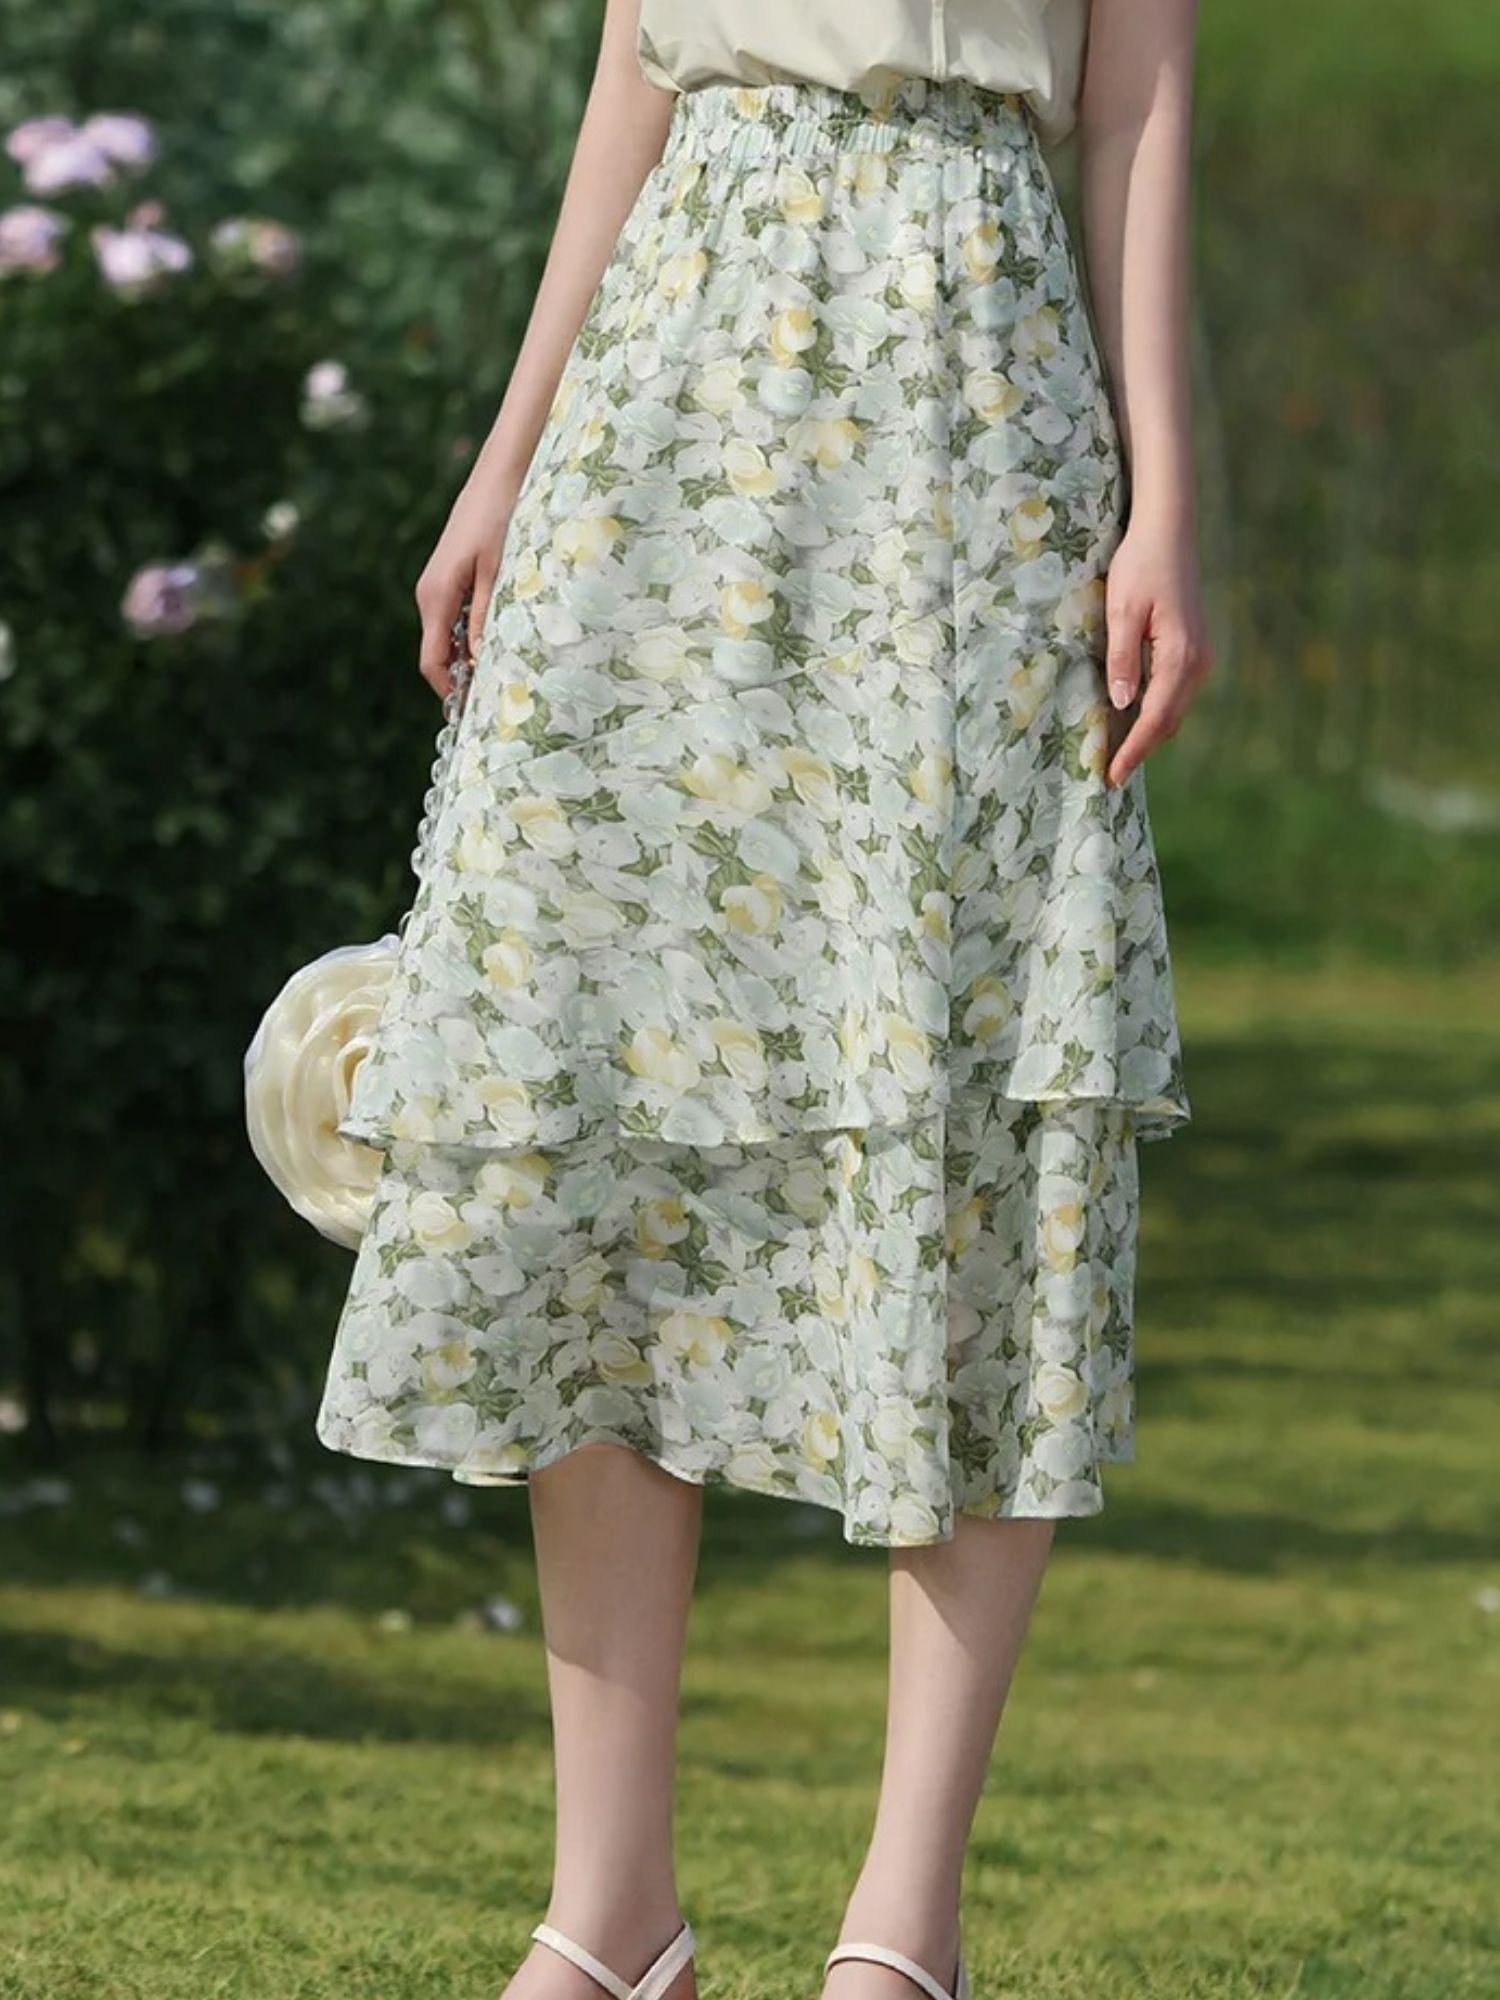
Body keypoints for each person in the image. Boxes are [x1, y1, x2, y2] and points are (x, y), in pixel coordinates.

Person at [317, 1, 1209, 1994]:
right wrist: (508, 452)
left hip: (965, 395)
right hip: (664, 388)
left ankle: (907, 1921)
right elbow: (640, 58)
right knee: (603, 1094)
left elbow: (1138, 90)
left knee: (977, 1100)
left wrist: (1166, 496)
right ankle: (609, 1912)